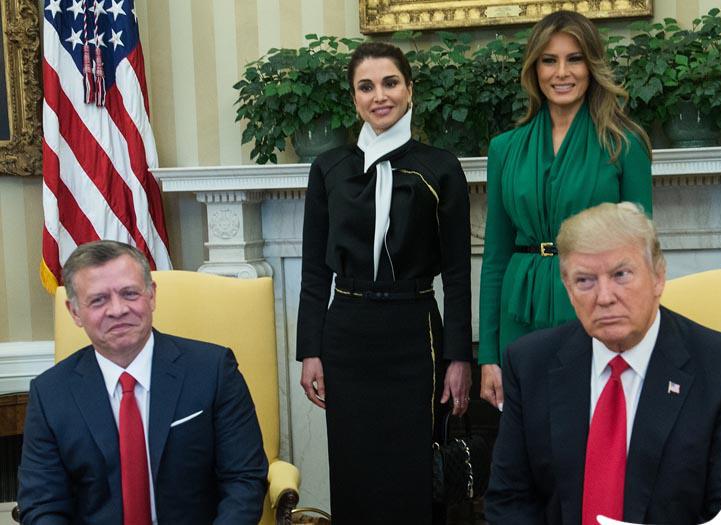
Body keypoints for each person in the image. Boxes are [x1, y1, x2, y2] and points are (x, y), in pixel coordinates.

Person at [484, 202, 721, 524]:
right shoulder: (530, 363)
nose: (604, 297)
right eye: (585, 281)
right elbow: (509, 500)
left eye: (621, 275)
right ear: (568, 289)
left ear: (658, 277)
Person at [296, 42, 472, 524]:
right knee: (354, 471)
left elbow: (458, 273)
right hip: (347, 334)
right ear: (353, 97)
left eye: (390, 83)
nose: (380, 96)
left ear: (409, 89)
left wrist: (459, 356)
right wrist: (310, 349)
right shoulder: (329, 168)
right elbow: (314, 270)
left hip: (414, 334)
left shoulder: (441, 166)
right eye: (366, 87)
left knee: (415, 475)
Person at [17, 241, 268, 525]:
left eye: (130, 293)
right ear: (74, 312)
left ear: (151, 295)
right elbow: (42, 505)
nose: (117, 310)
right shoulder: (50, 394)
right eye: (98, 300)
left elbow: (244, 480)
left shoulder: (213, 370)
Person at [478, 10, 653, 410]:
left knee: (595, 428)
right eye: (549, 60)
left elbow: (642, 254)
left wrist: (640, 339)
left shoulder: (624, 144)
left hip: (599, 304)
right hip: (520, 308)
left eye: (574, 59)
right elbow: (495, 257)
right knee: (529, 432)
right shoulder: (504, 149)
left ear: (591, 66)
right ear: (534, 69)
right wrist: (488, 354)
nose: (562, 72)